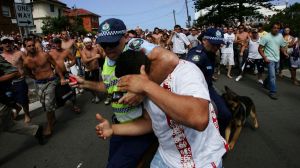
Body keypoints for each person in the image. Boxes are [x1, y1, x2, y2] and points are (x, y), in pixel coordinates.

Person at [95, 43, 227, 168]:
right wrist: (113, 129)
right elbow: (149, 122)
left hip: (202, 160)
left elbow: (199, 119)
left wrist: (146, 86)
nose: (127, 92)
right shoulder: (144, 91)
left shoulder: (185, 72)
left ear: (141, 73)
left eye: (128, 84)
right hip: (165, 157)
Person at [70, 18, 178, 168]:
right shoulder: (107, 60)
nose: (108, 49)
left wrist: (143, 90)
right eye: (104, 44)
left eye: (113, 43)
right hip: (120, 125)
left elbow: (169, 60)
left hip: (142, 126)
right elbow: (109, 87)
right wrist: (85, 82)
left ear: (125, 37)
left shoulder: (134, 47)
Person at [186, 28, 232, 137]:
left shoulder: (211, 52)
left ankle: (219, 139)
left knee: (226, 114)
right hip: (195, 92)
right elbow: (187, 77)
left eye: (218, 45)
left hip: (208, 86)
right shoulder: (196, 55)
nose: (216, 48)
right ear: (204, 40)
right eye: (214, 44)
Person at [22, 38, 66, 136]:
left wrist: (62, 78)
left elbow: (56, 66)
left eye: (33, 45)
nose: (32, 47)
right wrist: (36, 78)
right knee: (44, 104)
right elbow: (28, 73)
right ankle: (53, 118)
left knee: (48, 104)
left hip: (51, 81)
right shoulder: (26, 62)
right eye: (29, 46)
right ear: (25, 48)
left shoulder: (45, 55)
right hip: (39, 84)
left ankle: (49, 126)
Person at [0, 54, 44, 145]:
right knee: (9, 126)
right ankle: (35, 130)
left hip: (1, 100)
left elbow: (16, 72)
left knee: (9, 125)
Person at [1, 36, 31, 123]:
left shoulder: (19, 53)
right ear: (1, 45)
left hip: (20, 80)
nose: (7, 44)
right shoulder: (1, 56)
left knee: (23, 99)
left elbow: (28, 63)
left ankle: (27, 114)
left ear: (12, 43)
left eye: (9, 42)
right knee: (8, 100)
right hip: (7, 82)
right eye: (5, 42)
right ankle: (17, 108)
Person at [49, 38, 80, 113]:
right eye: (56, 43)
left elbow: (74, 60)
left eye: (59, 43)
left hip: (66, 73)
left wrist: (69, 65)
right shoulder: (50, 53)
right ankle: (62, 103)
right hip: (56, 75)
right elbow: (47, 64)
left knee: (72, 89)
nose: (58, 45)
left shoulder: (66, 51)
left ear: (61, 43)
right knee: (58, 91)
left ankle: (74, 104)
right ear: (53, 44)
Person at [258, 22, 288, 100]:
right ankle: (272, 92)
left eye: (278, 28)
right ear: (271, 28)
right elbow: (260, 48)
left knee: (274, 73)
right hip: (269, 59)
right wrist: (265, 57)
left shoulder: (280, 36)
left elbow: (281, 46)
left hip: (277, 58)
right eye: (274, 28)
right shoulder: (266, 37)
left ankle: (265, 83)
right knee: (272, 76)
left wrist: (284, 53)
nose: (276, 29)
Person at [81, 37, 104, 103]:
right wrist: (95, 57)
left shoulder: (96, 48)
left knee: (95, 84)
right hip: (88, 70)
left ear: (91, 43)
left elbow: (102, 56)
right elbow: (85, 61)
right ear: (84, 44)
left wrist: (100, 48)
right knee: (89, 86)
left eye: (89, 42)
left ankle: (96, 96)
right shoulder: (83, 51)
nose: (88, 44)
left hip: (96, 69)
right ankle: (95, 96)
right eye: (86, 43)